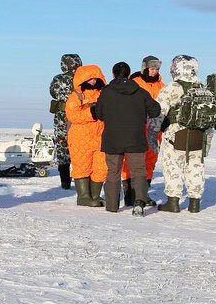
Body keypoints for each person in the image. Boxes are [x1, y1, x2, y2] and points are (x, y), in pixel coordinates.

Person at [94, 61, 161, 214]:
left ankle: (112, 206)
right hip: (136, 137)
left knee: (113, 172)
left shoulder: (106, 92)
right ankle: (139, 201)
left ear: (113, 74)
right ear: (130, 75)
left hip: (112, 138)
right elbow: (156, 111)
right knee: (138, 171)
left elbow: (99, 114)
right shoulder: (140, 91)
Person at [155, 55, 214, 213]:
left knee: (172, 167)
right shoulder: (204, 89)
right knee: (195, 167)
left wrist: (152, 133)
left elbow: (158, 113)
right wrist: (207, 143)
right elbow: (210, 118)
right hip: (198, 135)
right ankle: (195, 203)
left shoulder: (171, 87)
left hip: (175, 134)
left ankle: (173, 202)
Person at [121, 55, 165, 205]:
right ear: (144, 68)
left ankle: (143, 195)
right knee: (131, 161)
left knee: (150, 161)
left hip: (155, 131)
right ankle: (129, 195)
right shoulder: (134, 83)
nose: (154, 71)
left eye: (157, 69)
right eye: (152, 68)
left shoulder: (162, 86)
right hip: (137, 129)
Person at [65, 64, 107, 207]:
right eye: (90, 79)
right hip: (80, 137)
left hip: (100, 135)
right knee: (82, 166)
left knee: (101, 167)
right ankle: (83, 197)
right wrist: (91, 113)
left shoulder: (104, 94)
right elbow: (72, 115)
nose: (93, 82)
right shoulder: (76, 96)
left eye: (96, 79)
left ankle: (95, 196)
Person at [49, 54, 83, 190]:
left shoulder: (58, 79)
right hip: (80, 116)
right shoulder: (83, 78)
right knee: (81, 147)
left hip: (62, 117)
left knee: (62, 148)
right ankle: (82, 180)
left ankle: (65, 182)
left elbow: (53, 93)